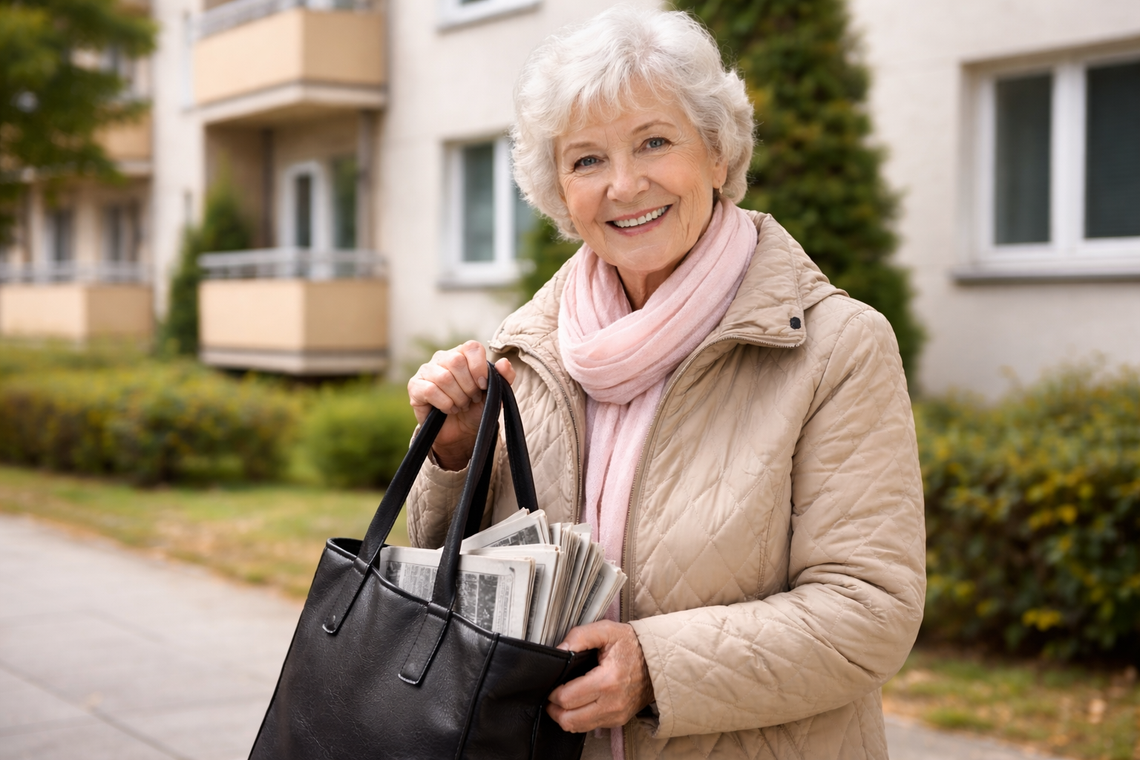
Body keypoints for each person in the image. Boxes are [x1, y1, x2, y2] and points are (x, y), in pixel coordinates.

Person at [406, 6, 925, 759]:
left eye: (654, 141)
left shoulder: (837, 346)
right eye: (586, 159)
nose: (624, 185)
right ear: (557, 187)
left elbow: (868, 612)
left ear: (717, 154)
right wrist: (454, 459)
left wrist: (655, 668)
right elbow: (463, 590)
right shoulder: (527, 352)